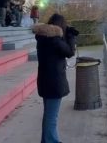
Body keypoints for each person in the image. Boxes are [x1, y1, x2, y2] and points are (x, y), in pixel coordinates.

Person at [32, 13, 76, 143]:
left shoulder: (42, 38)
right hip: (54, 82)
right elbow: (70, 52)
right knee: (52, 117)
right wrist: (71, 36)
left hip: (45, 81)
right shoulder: (55, 40)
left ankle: (45, 140)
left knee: (48, 115)